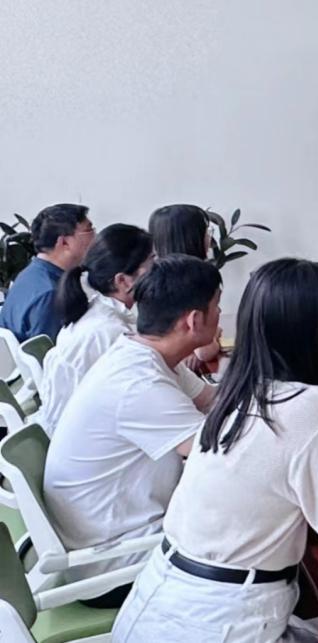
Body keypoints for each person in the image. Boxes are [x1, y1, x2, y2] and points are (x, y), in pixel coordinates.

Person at [111, 259, 318, 643]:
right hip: (222, 621)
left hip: (157, 605)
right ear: (307, 326)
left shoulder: (238, 390)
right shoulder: (313, 406)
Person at [43, 254, 220, 605]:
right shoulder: (138, 384)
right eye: (218, 306)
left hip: (117, 534)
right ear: (195, 320)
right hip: (113, 568)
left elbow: (212, 400)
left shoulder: (141, 353)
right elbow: (221, 457)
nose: (221, 315)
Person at [40, 224, 154, 433]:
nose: (158, 270)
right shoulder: (109, 331)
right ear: (122, 280)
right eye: (152, 262)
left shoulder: (96, 310)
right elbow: (146, 402)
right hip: (85, 436)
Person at [0, 203, 94, 342]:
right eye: (89, 230)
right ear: (64, 243)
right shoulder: (51, 294)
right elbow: (50, 354)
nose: (95, 237)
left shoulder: (30, 274)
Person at [149, 204, 221, 367]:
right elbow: (205, 352)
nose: (210, 238)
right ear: (194, 238)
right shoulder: (197, 280)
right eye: (207, 231)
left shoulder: (151, 278)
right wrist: (215, 334)